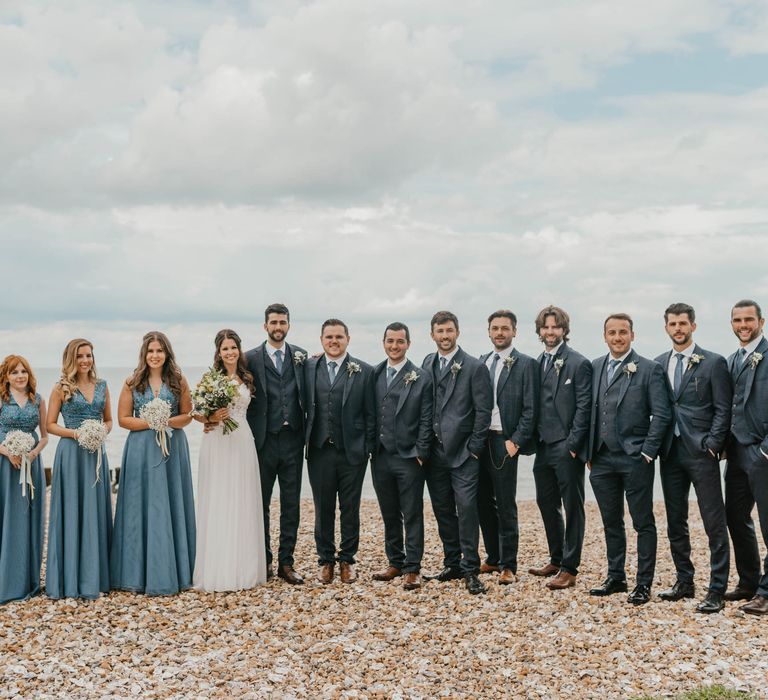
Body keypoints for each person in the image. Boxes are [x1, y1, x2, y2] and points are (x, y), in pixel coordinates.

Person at [587, 314, 671, 605]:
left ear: (632, 335)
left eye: (623, 332)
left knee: (642, 521)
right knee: (611, 521)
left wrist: (648, 451)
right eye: (612, 332)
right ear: (605, 336)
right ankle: (616, 577)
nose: (618, 337)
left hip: (635, 458)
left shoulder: (650, 369)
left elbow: (661, 414)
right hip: (600, 459)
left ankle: (643, 583)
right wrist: (588, 452)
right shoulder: (595, 366)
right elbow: (590, 411)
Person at [655, 303, 731, 614]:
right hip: (669, 453)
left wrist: (713, 444)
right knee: (676, 521)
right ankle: (684, 581)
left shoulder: (713, 362)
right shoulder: (658, 364)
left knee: (714, 521)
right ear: (666, 328)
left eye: (683, 323)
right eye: (672, 324)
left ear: (693, 326)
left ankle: (717, 588)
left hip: (701, 452)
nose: (678, 328)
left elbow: (723, 408)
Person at [110, 332, 196, 596]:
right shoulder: (132, 382)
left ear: (167, 353)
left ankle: (174, 571)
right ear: (144, 354)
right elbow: (123, 419)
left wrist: (166, 421)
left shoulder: (178, 380)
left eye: (160, 351)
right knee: (139, 508)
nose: (155, 355)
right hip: (141, 450)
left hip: (172, 449)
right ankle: (135, 574)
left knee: (169, 506)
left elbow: (187, 416)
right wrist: (151, 422)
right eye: (151, 351)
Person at [422, 311, 493, 595]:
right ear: (432, 335)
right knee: (442, 510)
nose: (445, 336)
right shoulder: (427, 363)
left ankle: (471, 569)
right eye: (440, 331)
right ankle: (452, 562)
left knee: (466, 511)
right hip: (434, 454)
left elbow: (483, 411)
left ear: (458, 332)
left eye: (449, 330)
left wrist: (475, 449)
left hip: (464, 455)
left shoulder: (474, 367)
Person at [193, 330, 266, 591]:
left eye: (233, 347)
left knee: (242, 498)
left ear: (239, 349)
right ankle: (218, 568)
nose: (230, 352)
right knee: (219, 498)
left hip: (242, 439)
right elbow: (196, 413)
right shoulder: (210, 379)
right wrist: (212, 417)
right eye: (225, 349)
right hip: (217, 441)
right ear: (218, 352)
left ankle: (243, 567)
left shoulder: (247, 377)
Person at [304, 319, 375, 584]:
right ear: (321, 340)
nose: (334, 341)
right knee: (323, 508)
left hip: (352, 452)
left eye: (339, 337)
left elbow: (371, 414)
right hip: (320, 450)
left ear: (348, 339)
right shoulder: (309, 367)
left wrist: (366, 447)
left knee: (350, 508)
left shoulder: (364, 371)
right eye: (329, 337)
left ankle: (347, 559)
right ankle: (325, 560)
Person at [529, 306, 592, 590]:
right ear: (540, 331)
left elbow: (584, 407)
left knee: (573, 507)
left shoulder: (578, 363)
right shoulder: (536, 363)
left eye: (555, 327)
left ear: (564, 330)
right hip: (542, 445)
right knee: (546, 502)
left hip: (566, 447)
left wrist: (573, 445)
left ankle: (569, 567)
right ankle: (556, 558)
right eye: (546, 327)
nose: (550, 332)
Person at [46, 339, 113, 599]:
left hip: (96, 452)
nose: (86, 360)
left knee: (95, 510)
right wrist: (77, 433)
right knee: (72, 510)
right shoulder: (60, 388)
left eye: (89, 355)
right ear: (71, 359)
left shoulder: (103, 386)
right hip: (71, 454)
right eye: (81, 356)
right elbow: (50, 425)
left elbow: (109, 421)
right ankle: (70, 578)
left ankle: (95, 576)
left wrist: (100, 431)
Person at [244, 304, 307, 584]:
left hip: (293, 439)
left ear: (289, 325)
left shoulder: (303, 357)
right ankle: (265, 560)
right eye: (273, 322)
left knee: (291, 504)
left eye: (282, 322)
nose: (278, 326)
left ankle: (286, 562)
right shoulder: (249, 359)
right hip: (263, 441)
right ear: (265, 326)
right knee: (262, 504)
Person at [477, 310, 538, 585]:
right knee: (482, 502)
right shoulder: (481, 362)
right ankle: (492, 557)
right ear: (489, 331)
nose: (499, 332)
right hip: (479, 440)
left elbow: (531, 407)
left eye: (505, 328)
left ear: (514, 331)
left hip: (505, 441)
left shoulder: (526, 364)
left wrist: (516, 441)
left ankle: (508, 564)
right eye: (495, 328)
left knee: (505, 504)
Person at [371, 322, 433, 591]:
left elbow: (427, 417)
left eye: (399, 341)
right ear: (383, 342)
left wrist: (420, 451)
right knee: (389, 512)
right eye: (390, 341)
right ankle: (395, 561)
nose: (394, 346)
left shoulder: (420, 376)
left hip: (409, 457)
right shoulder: (374, 374)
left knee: (412, 513)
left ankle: (413, 567)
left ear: (408, 343)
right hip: (380, 456)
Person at [724, 299, 768, 616]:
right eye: (738, 320)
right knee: (736, 517)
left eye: (748, 319)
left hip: (762, 451)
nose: (743, 324)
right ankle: (749, 582)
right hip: (736, 452)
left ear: (761, 322)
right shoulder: (731, 360)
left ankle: (766, 593)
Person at [0, 355, 48, 604]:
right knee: (5, 516)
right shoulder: (1, 400)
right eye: (14, 372)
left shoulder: (37, 400)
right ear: (6, 377)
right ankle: (5, 580)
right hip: (4, 465)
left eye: (23, 372)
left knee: (28, 518)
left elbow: (45, 436)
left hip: (31, 464)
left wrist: (32, 453)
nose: (20, 376)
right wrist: (7, 452)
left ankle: (26, 579)